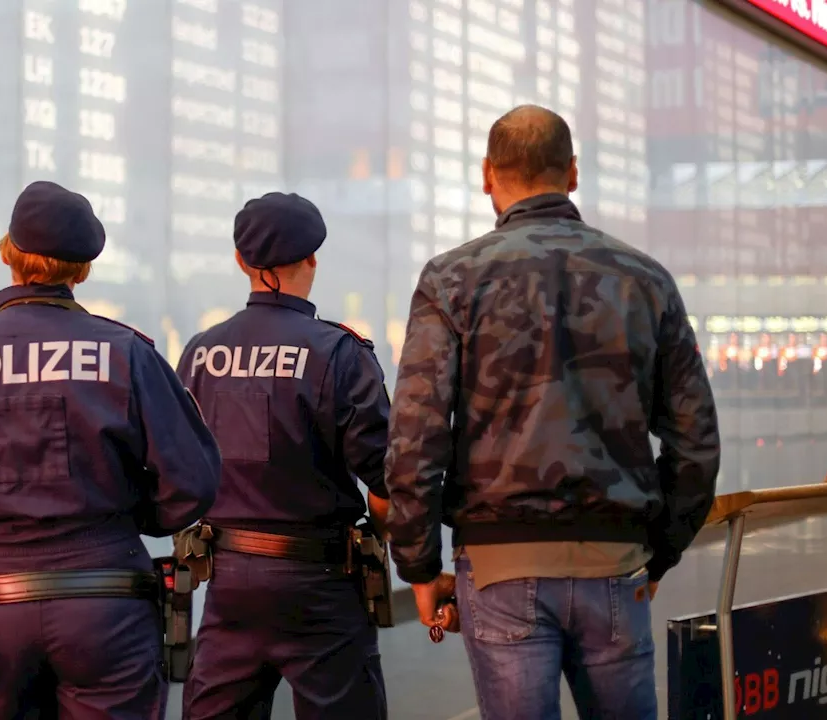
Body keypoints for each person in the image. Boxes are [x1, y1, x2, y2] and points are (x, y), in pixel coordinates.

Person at [384, 105, 721, 720]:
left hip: (498, 569)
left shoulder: (451, 280)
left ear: (487, 175)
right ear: (572, 173)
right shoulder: (644, 280)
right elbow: (696, 441)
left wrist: (419, 563)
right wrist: (659, 551)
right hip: (617, 568)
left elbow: (416, 437)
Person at [0, 180, 222, 719]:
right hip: (108, 604)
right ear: (82, 268)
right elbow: (193, 480)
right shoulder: (126, 354)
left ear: (10, 255)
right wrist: (122, 522)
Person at [177, 192, 392, 720]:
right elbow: (389, 477)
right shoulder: (340, 352)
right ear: (311, 260)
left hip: (229, 583)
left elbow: (176, 467)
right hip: (323, 584)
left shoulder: (201, 353)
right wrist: (383, 539)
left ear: (241, 262)